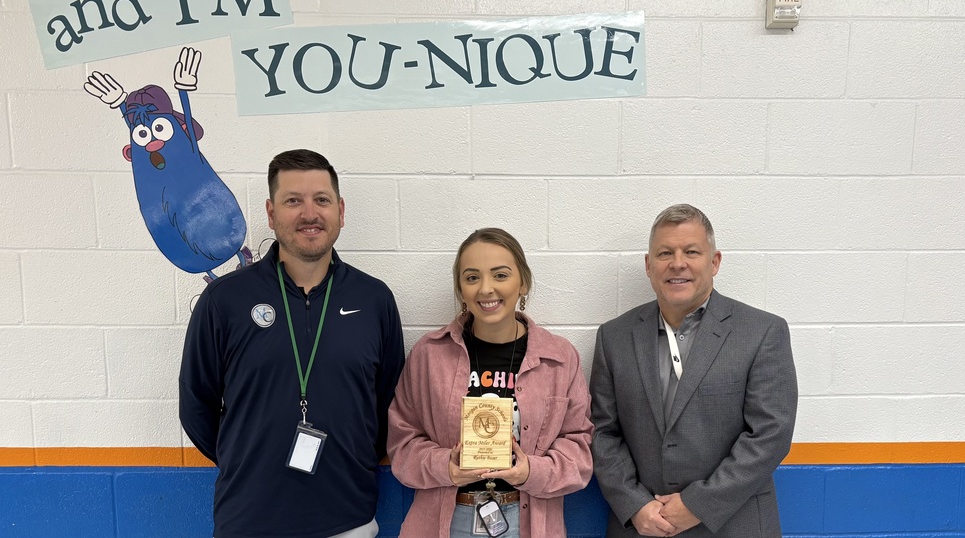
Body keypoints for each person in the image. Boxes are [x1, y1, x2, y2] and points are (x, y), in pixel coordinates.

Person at [179, 149, 405, 538]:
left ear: (340, 210)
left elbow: (390, 403)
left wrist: (356, 460)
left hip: (347, 519)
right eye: (293, 201)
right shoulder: (224, 300)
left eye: (321, 200)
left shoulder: (374, 300)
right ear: (270, 213)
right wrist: (244, 458)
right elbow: (196, 405)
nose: (309, 213)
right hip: (249, 519)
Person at [590, 204, 798, 538]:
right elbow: (603, 432)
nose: (677, 263)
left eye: (691, 251)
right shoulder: (614, 337)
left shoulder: (761, 332)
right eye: (664, 253)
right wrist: (634, 504)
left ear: (714, 262)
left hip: (734, 525)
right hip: (642, 527)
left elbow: (770, 435)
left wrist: (698, 504)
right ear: (648, 265)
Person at [388, 228, 594, 538]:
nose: (486, 289)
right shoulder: (429, 356)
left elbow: (579, 450)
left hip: (529, 522)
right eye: (472, 278)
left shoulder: (560, 358)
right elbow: (402, 445)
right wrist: (446, 465)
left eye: (500, 275)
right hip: (446, 519)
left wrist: (531, 472)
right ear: (460, 288)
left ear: (522, 282)